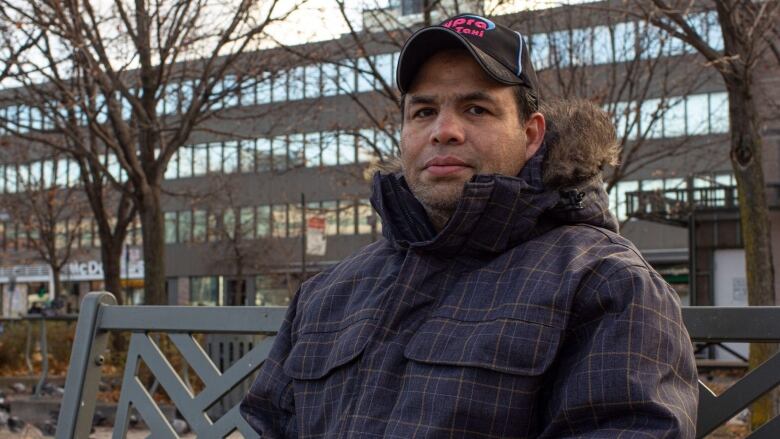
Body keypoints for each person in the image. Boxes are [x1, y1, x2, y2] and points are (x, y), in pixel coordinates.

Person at [241, 14, 698, 438]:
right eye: (423, 112)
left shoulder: (604, 283)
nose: (444, 130)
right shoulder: (328, 292)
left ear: (531, 134)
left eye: (476, 109)